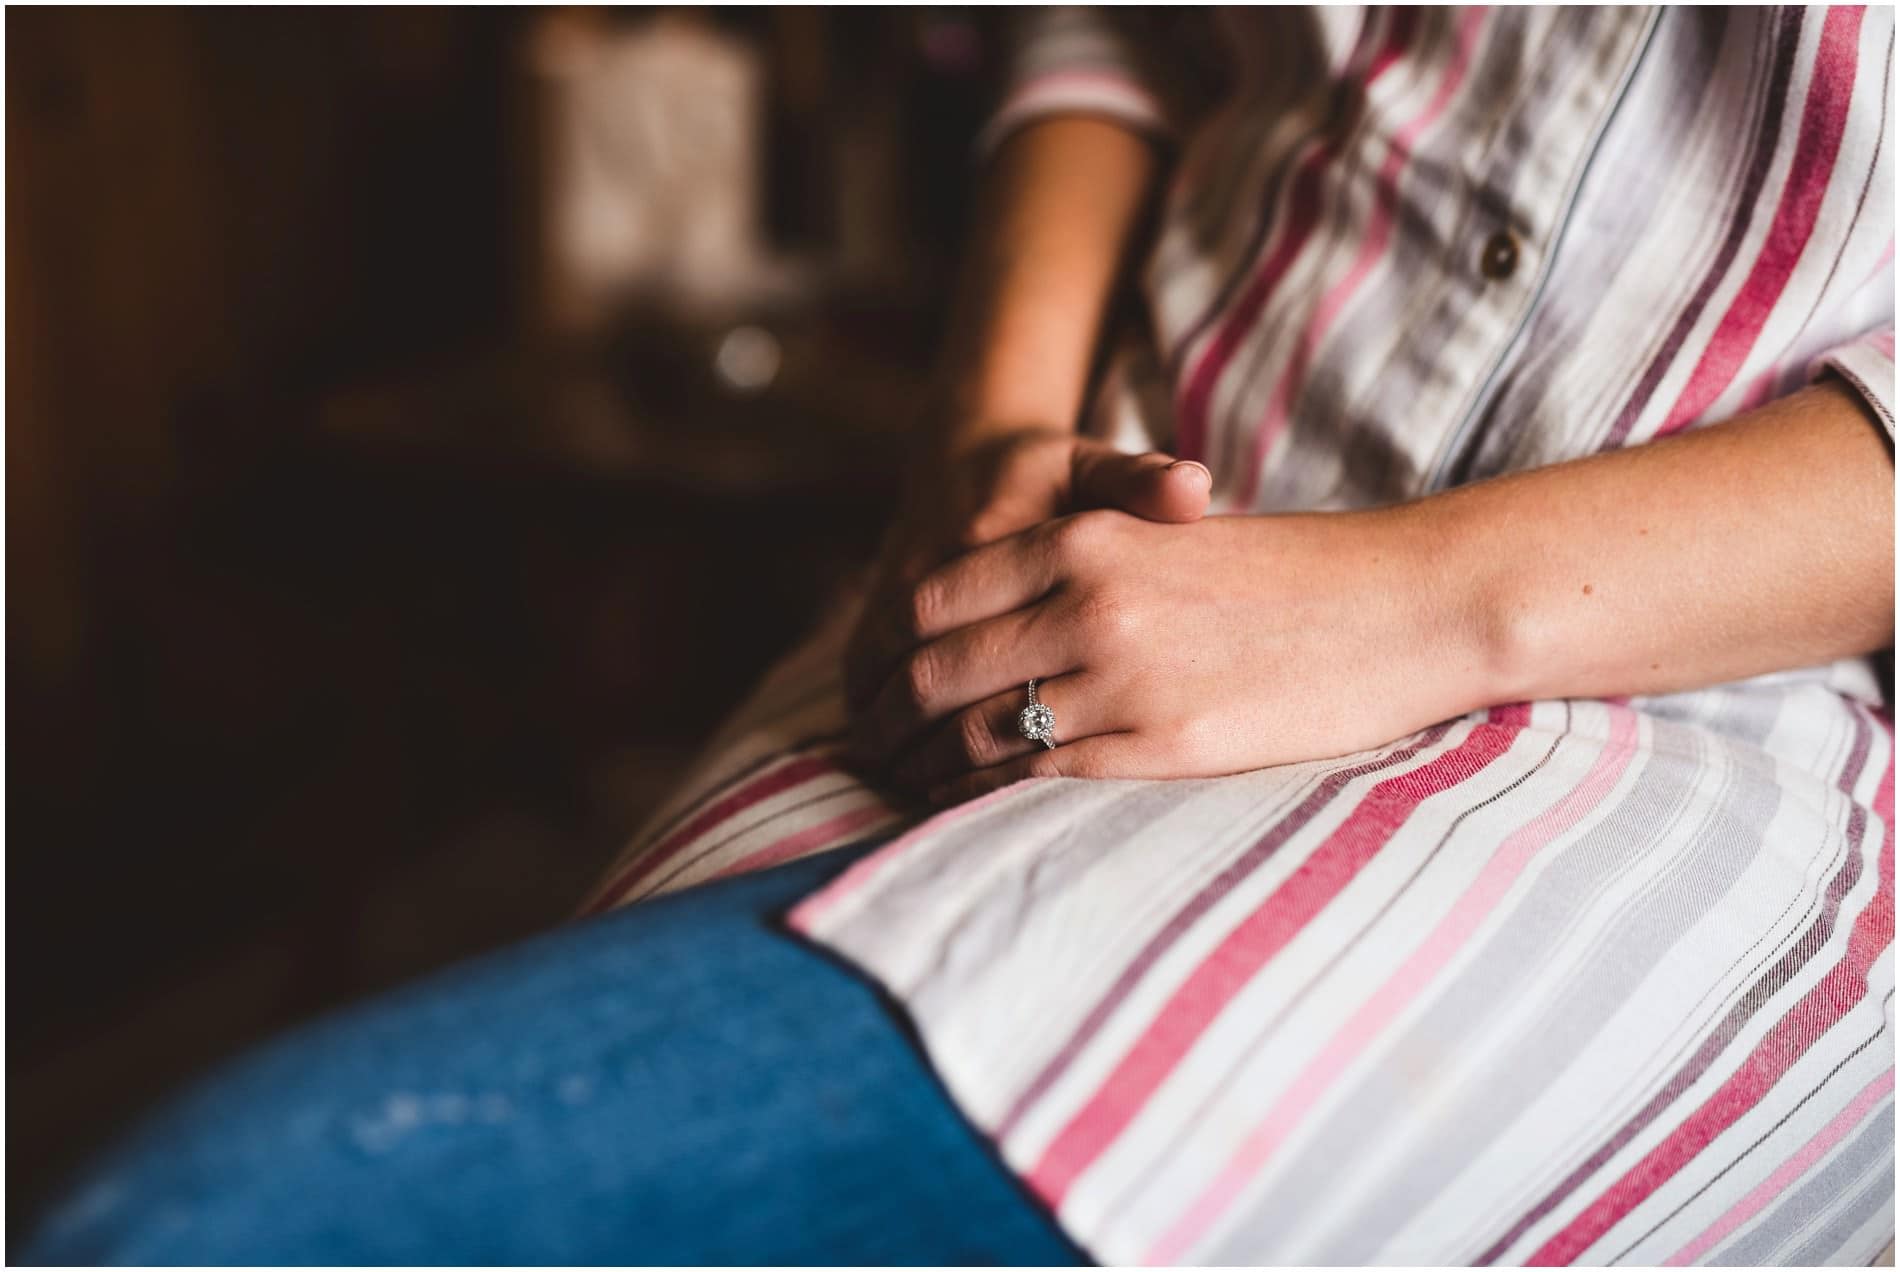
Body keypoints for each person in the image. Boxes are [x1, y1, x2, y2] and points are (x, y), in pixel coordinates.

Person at [28, 7, 1895, 1265]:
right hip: (1093, 508)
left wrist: (1390, 600)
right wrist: (985, 441)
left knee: (240, 1217)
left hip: (1698, 681)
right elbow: (1119, 30)